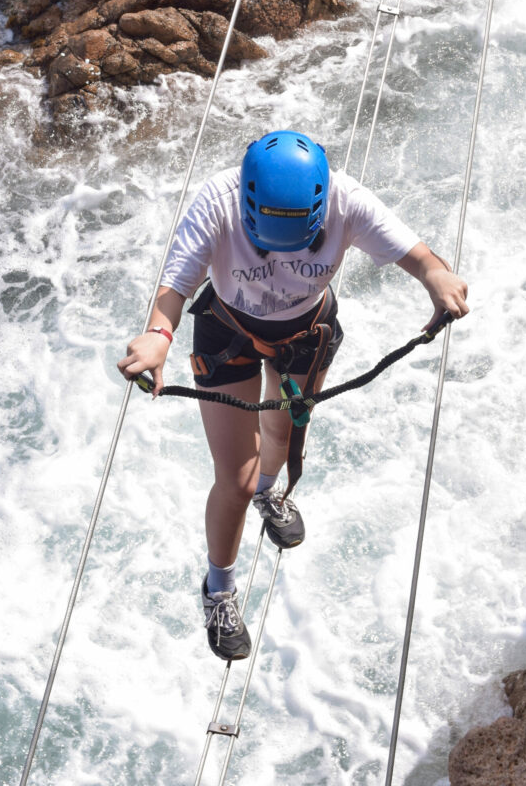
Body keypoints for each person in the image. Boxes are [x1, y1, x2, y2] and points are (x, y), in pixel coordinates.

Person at [118, 130, 468, 661]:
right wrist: (157, 337)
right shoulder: (217, 201)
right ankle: (218, 588)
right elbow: (175, 288)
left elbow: (419, 256)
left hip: (306, 335)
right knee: (232, 480)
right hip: (227, 332)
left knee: (280, 436)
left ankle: (269, 491)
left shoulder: (346, 200)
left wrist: (438, 277)